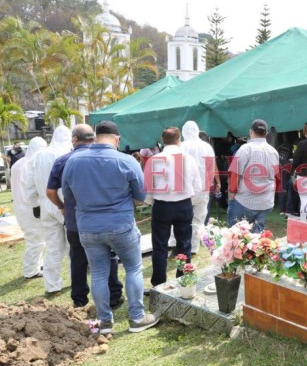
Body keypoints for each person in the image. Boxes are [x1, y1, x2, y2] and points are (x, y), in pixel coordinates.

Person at [62, 121, 159, 334]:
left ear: (96, 137)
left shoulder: (73, 161)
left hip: (87, 227)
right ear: (117, 139)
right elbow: (142, 196)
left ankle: (105, 321)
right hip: (120, 225)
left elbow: (68, 196)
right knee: (133, 268)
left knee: (98, 273)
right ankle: (136, 318)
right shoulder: (125, 160)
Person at [46, 124, 124, 309]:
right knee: (109, 256)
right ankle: (114, 295)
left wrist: (62, 206)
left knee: (78, 260)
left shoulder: (63, 160)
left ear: (74, 139)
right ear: (94, 138)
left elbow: (50, 191)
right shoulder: (107, 157)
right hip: (105, 219)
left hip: (75, 220)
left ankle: (80, 300)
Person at [145, 127, 202, 288]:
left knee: (159, 246)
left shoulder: (154, 159)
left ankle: (159, 283)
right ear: (179, 140)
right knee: (184, 244)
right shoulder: (188, 159)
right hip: (183, 204)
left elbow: (147, 186)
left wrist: (153, 201)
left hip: (162, 206)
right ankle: (183, 280)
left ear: (163, 140)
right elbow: (197, 186)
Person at [26, 126, 72, 294]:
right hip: (63, 204)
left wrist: (34, 204)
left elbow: (30, 183)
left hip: (46, 204)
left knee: (53, 247)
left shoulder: (38, 157)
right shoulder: (66, 155)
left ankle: (52, 285)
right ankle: (76, 279)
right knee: (72, 246)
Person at [227, 119, 279, 233]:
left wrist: (231, 194)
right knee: (257, 241)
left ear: (251, 132)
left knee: (235, 238)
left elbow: (235, 174)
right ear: (266, 133)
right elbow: (275, 176)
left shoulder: (245, 149)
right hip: (266, 202)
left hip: (244, 200)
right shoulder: (274, 152)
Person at [179, 121, 220, 254]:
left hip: (186, 190)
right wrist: (214, 182)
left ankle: (182, 245)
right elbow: (211, 166)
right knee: (199, 219)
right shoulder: (207, 146)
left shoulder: (181, 146)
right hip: (203, 188)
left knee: (183, 219)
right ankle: (194, 247)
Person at [11, 137, 47, 279]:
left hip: (20, 206)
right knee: (36, 240)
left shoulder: (18, 164)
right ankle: (31, 270)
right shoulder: (31, 164)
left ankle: (38, 264)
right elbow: (31, 189)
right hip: (30, 208)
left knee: (36, 239)